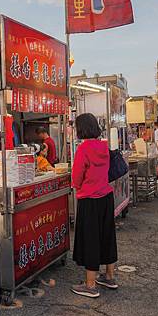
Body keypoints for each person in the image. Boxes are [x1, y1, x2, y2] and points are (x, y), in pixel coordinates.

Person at [71, 113, 118, 299]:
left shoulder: (83, 149)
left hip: (89, 199)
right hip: (106, 197)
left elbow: (76, 177)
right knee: (107, 235)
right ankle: (109, 276)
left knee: (91, 239)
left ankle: (90, 285)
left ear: (81, 129)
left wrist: (77, 186)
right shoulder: (104, 146)